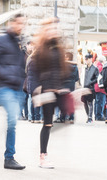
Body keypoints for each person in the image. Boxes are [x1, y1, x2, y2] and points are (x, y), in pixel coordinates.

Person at [0, 13, 26, 170]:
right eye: (19, 23)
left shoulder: (19, 42)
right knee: (12, 118)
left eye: (24, 24)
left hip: (17, 87)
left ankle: (9, 156)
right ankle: (9, 157)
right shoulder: (1, 39)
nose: (21, 27)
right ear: (12, 23)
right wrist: (6, 75)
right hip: (4, 87)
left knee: (13, 121)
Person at [34, 17, 69, 169]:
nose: (53, 31)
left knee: (68, 112)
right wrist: (37, 92)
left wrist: (63, 86)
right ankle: (43, 157)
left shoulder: (58, 48)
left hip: (57, 90)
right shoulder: (41, 49)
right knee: (47, 124)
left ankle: (45, 154)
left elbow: (62, 69)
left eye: (55, 29)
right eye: (49, 29)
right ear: (44, 32)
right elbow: (33, 72)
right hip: (46, 92)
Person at [61, 52, 79, 123]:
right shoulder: (75, 67)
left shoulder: (63, 66)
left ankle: (62, 117)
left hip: (64, 85)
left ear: (67, 58)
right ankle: (71, 117)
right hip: (71, 85)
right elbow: (77, 78)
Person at [25, 41, 41, 123]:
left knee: (31, 100)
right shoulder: (39, 61)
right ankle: (37, 118)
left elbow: (26, 71)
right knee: (37, 101)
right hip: (37, 83)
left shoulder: (30, 59)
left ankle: (32, 117)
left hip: (30, 83)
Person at [81, 54, 98, 123]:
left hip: (90, 88)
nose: (86, 60)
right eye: (85, 59)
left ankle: (90, 118)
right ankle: (88, 116)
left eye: (87, 59)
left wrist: (91, 82)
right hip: (84, 87)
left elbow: (97, 78)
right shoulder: (84, 67)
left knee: (90, 103)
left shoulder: (95, 68)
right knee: (85, 103)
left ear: (91, 59)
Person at [94, 55, 106, 121]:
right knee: (100, 102)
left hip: (96, 86)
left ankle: (96, 116)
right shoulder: (101, 67)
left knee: (97, 102)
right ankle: (99, 116)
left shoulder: (96, 66)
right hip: (100, 87)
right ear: (103, 61)